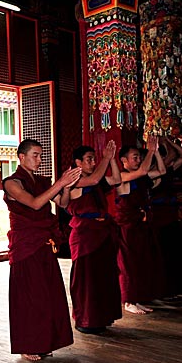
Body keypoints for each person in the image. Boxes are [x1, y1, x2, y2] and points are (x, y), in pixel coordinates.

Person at [2, 139, 82, 361]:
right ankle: (28, 344)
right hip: (25, 245)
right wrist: (59, 182)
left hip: (44, 244)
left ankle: (46, 340)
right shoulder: (11, 183)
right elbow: (35, 204)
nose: (39, 160)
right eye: (35, 155)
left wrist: (65, 187)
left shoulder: (41, 181)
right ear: (21, 157)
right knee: (29, 297)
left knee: (48, 295)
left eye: (40, 155)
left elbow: (63, 203)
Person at [66, 141, 122, 334]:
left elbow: (116, 178)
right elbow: (94, 181)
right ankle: (86, 320)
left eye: (93, 159)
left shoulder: (95, 179)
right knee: (86, 280)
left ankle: (102, 317)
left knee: (103, 278)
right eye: (89, 159)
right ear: (78, 162)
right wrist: (106, 158)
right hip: (85, 236)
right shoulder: (73, 180)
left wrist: (112, 158)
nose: (92, 163)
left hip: (102, 233)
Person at [115, 138, 166, 315]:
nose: (138, 160)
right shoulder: (121, 176)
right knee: (129, 264)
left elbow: (161, 170)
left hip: (142, 225)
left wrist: (157, 151)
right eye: (135, 157)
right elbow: (144, 169)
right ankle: (128, 300)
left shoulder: (142, 176)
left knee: (143, 262)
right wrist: (150, 150)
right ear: (124, 161)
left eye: (139, 157)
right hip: (128, 226)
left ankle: (138, 297)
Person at [151, 138, 182, 298]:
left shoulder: (167, 171)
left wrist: (167, 140)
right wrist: (156, 149)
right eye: (163, 158)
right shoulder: (151, 175)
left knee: (175, 255)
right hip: (159, 219)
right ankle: (163, 290)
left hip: (171, 216)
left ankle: (174, 288)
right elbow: (174, 155)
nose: (167, 160)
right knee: (164, 256)